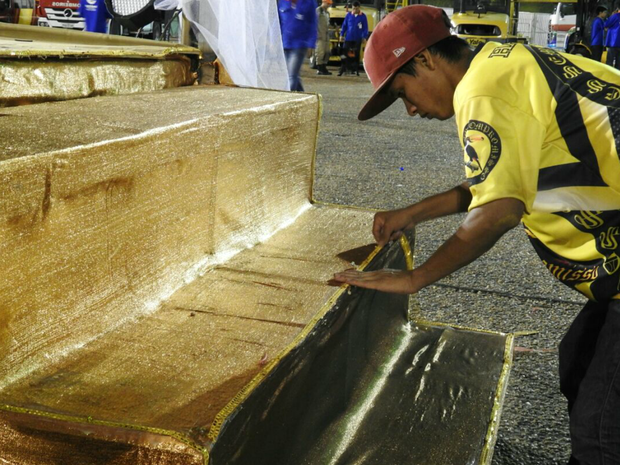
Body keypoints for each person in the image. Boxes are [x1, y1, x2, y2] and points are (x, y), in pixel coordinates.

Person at [332, 5, 620, 464]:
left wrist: (414, 278)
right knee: (580, 364)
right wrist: (416, 212)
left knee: (603, 428)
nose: (408, 110)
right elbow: (498, 180)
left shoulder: (482, 90)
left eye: (403, 91)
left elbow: (498, 210)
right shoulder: (503, 62)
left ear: (425, 59)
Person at [278, 0, 318, 91]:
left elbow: (313, 23)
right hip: (286, 43)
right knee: (293, 73)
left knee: (291, 75)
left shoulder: (309, 3)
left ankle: (287, 99)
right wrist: (274, 40)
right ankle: (302, 95)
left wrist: (311, 42)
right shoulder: (283, 2)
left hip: (300, 44)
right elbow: (277, 22)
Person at [338, 1, 368, 76]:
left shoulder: (363, 16)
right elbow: (344, 25)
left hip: (357, 39)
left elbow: (365, 28)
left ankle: (354, 69)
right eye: (354, 8)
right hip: (348, 38)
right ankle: (343, 68)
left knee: (355, 54)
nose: (355, 10)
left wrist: (364, 37)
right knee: (344, 53)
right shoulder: (348, 15)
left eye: (356, 8)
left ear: (359, 8)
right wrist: (341, 35)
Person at [315, 0, 333, 76]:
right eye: (328, 4)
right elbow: (314, 22)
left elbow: (327, 24)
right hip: (319, 34)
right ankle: (319, 68)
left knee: (327, 52)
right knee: (320, 52)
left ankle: (324, 67)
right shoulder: (318, 11)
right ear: (324, 2)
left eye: (330, 4)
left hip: (326, 35)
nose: (329, 5)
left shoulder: (327, 13)